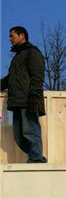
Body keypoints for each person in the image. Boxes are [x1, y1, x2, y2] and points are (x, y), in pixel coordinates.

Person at [1, 26, 47, 163]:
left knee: (30, 132)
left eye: (12, 35)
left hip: (28, 100)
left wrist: (34, 98)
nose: (9, 38)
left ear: (22, 36)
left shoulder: (32, 53)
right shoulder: (17, 57)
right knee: (19, 136)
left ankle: (36, 159)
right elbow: (10, 79)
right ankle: (36, 157)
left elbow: (37, 76)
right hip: (17, 102)